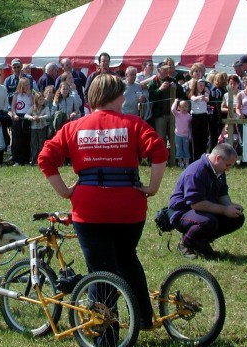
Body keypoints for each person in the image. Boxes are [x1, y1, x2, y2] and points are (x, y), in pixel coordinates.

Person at [38, 73, 168, 330]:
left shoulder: (74, 127)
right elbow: (159, 151)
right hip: (129, 208)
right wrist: (152, 188)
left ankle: (106, 332)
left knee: (101, 269)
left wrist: (65, 191)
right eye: (123, 94)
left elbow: (45, 158)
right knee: (128, 259)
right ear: (117, 97)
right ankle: (143, 317)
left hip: (90, 209)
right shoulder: (133, 124)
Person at [169, 143, 245, 259]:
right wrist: (224, 210)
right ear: (218, 158)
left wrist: (230, 207)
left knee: (236, 218)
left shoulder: (219, 170)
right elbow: (196, 204)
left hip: (202, 210)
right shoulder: (196, 171)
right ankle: (185, 243)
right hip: (181, 212)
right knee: (208, 221)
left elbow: (222, 194)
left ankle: (201, 242)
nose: (228, 169)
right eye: (228, 165)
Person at [148, 62, 184, 145]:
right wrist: (160, 89)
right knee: (161, 138)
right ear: (158, 70)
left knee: (173, 137)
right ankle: (163, 157)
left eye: (167, 69)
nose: (166, 71)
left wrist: (177, 87)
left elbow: (181, 94)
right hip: (160, 115)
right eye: (164, 69)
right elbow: (151, 97)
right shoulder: (154, 81)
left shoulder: (172, 80)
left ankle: (173, 157)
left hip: (172, 114)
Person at [10, 77, 33, 166]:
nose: (28, 87)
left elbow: (32, 105)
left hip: (27, 116)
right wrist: (14, 114)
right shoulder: (16, 95)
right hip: (18, 117)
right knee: (17, 139)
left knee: (26, 138)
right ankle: (17, 159)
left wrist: (30, 95)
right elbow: (13, 106)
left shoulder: (30, 95)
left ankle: (26, 159)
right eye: (26, 85)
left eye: (28, 85)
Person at [25, 92, 50, 165]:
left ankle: (41, 159)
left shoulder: (46, 108)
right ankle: (34, 160)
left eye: (42, 100)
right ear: (36, 100)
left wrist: (41, 117)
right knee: (34, 144)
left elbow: (48, 115)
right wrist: (31, 117)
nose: (41, 101)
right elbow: (26, 115)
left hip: (42, 128)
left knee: (41, 144)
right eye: (39, 100)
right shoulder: (33, 108)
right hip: (34, 128)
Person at [189, 78, 210, 160]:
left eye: (203, 85)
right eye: (200, 85)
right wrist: (199, 97)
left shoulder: (205, 93)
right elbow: (193, 98)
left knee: (204, 137)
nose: (201, 87)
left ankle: (203, 156)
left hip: (203, 116)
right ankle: (195, 157)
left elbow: (207, 99)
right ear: (196, 85)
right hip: (195, 116)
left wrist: (204, 96)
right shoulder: (192, 93)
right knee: (195, 137)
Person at [171, 99, 192, 168]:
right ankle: (180, 162)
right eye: (182, 107)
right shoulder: (177, 115)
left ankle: (187, 162)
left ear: (188, 108)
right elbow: (172, 109)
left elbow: (189, 127)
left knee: (186, 149)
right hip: (178, 135)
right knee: (179, 149)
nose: (184, 108)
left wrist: (190, 135)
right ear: (179, 108)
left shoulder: (189, 116)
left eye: (186, 107)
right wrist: (175, 101)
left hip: (186, 136)